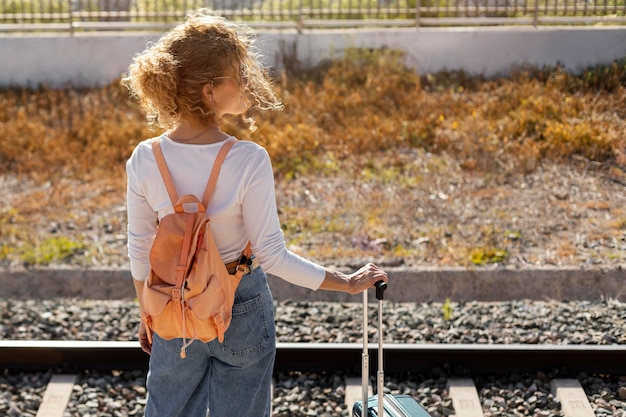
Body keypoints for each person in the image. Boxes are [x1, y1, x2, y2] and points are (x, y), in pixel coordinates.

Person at [122, 9, 388, 417]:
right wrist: (347, 283)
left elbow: (140, 250)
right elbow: (272, 255)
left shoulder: (144, 158)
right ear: (210, 91)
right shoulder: (247, 160)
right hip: (240, 306)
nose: (248, 81)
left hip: (171, 304)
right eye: (239, 74)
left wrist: (148, 312)